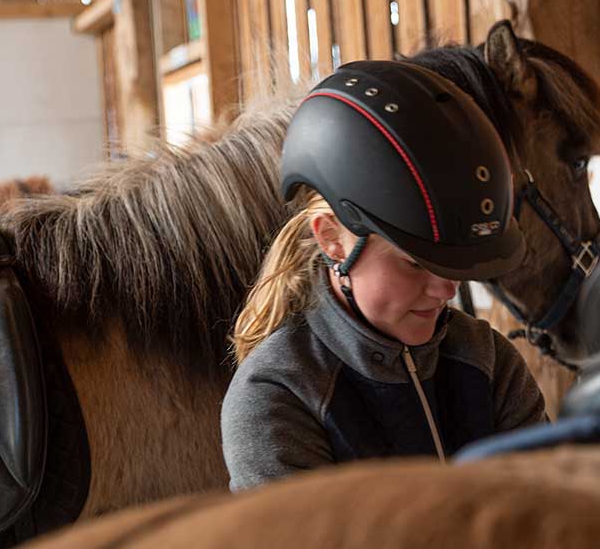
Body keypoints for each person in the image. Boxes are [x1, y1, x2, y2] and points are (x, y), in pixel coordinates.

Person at [221, 60, 547, 490]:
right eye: (414, 262)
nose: (446, 290)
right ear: (333, 239)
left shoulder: (489, 362)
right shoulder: (276, 399)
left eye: (452, 266)